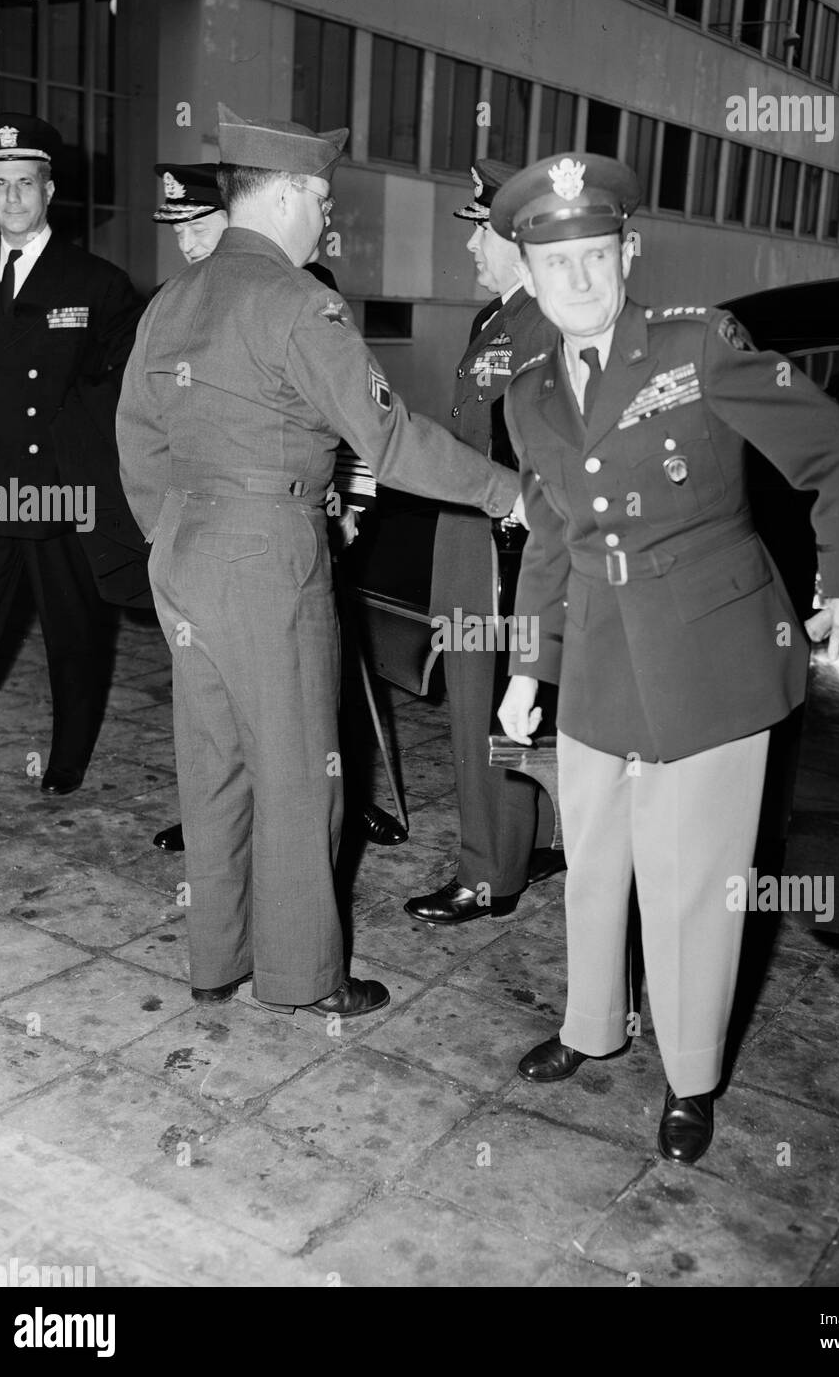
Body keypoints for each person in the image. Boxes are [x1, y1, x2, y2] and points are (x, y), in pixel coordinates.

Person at [493, 153, 839, 1164]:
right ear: (526, 274)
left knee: (694, 885)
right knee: (594, 864)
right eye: (554, 263)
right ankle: (592, 1027)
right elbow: (548, 536)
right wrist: (529, 667)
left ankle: (690, 1073)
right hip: (599, 664)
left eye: (595, 257)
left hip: (711, 660)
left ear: (627, 254)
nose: (577, 281)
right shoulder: (527, 394)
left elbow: (834, 446)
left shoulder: (700, 346)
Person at [116, 105, 521, 1017]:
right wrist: (509, 492)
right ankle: (303, 981)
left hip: (184, 551)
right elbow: (392, 438)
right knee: (301, 772)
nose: (330, 219)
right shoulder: (299, 303)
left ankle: (217, 962)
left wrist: (169, 536)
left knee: (213, 767)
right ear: (292, 193)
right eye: (325, 199)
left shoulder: (173, 300)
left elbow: (135, 435)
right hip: (267, 553)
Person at [145, 161, 405, 853]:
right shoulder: (179, 296)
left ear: (230, 218)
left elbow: (347, 422)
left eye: (202, 225)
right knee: (254, 725)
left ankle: (348, 807)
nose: (192, 242)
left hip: (291, 517)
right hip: (242, 533)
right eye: (180, 231)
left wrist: (347, 500)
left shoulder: (304, 289)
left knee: (312, 702)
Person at [0, 113, 144, 792]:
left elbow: (120, 388)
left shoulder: (97, 284)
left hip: (56, 489)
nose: (12, 199)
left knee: (72, 640)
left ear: (50, 191)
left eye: (25, 184)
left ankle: (66, 761)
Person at [404, 159, 562, 928]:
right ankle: (526, 844)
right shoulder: (498, 319)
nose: (467, 249)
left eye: (477, 233)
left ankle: (486, 875)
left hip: (501, 555)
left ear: (513, 238)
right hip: (473, 539)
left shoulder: (539, 325)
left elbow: (529, 457)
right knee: (503, 709)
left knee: (487, 713)